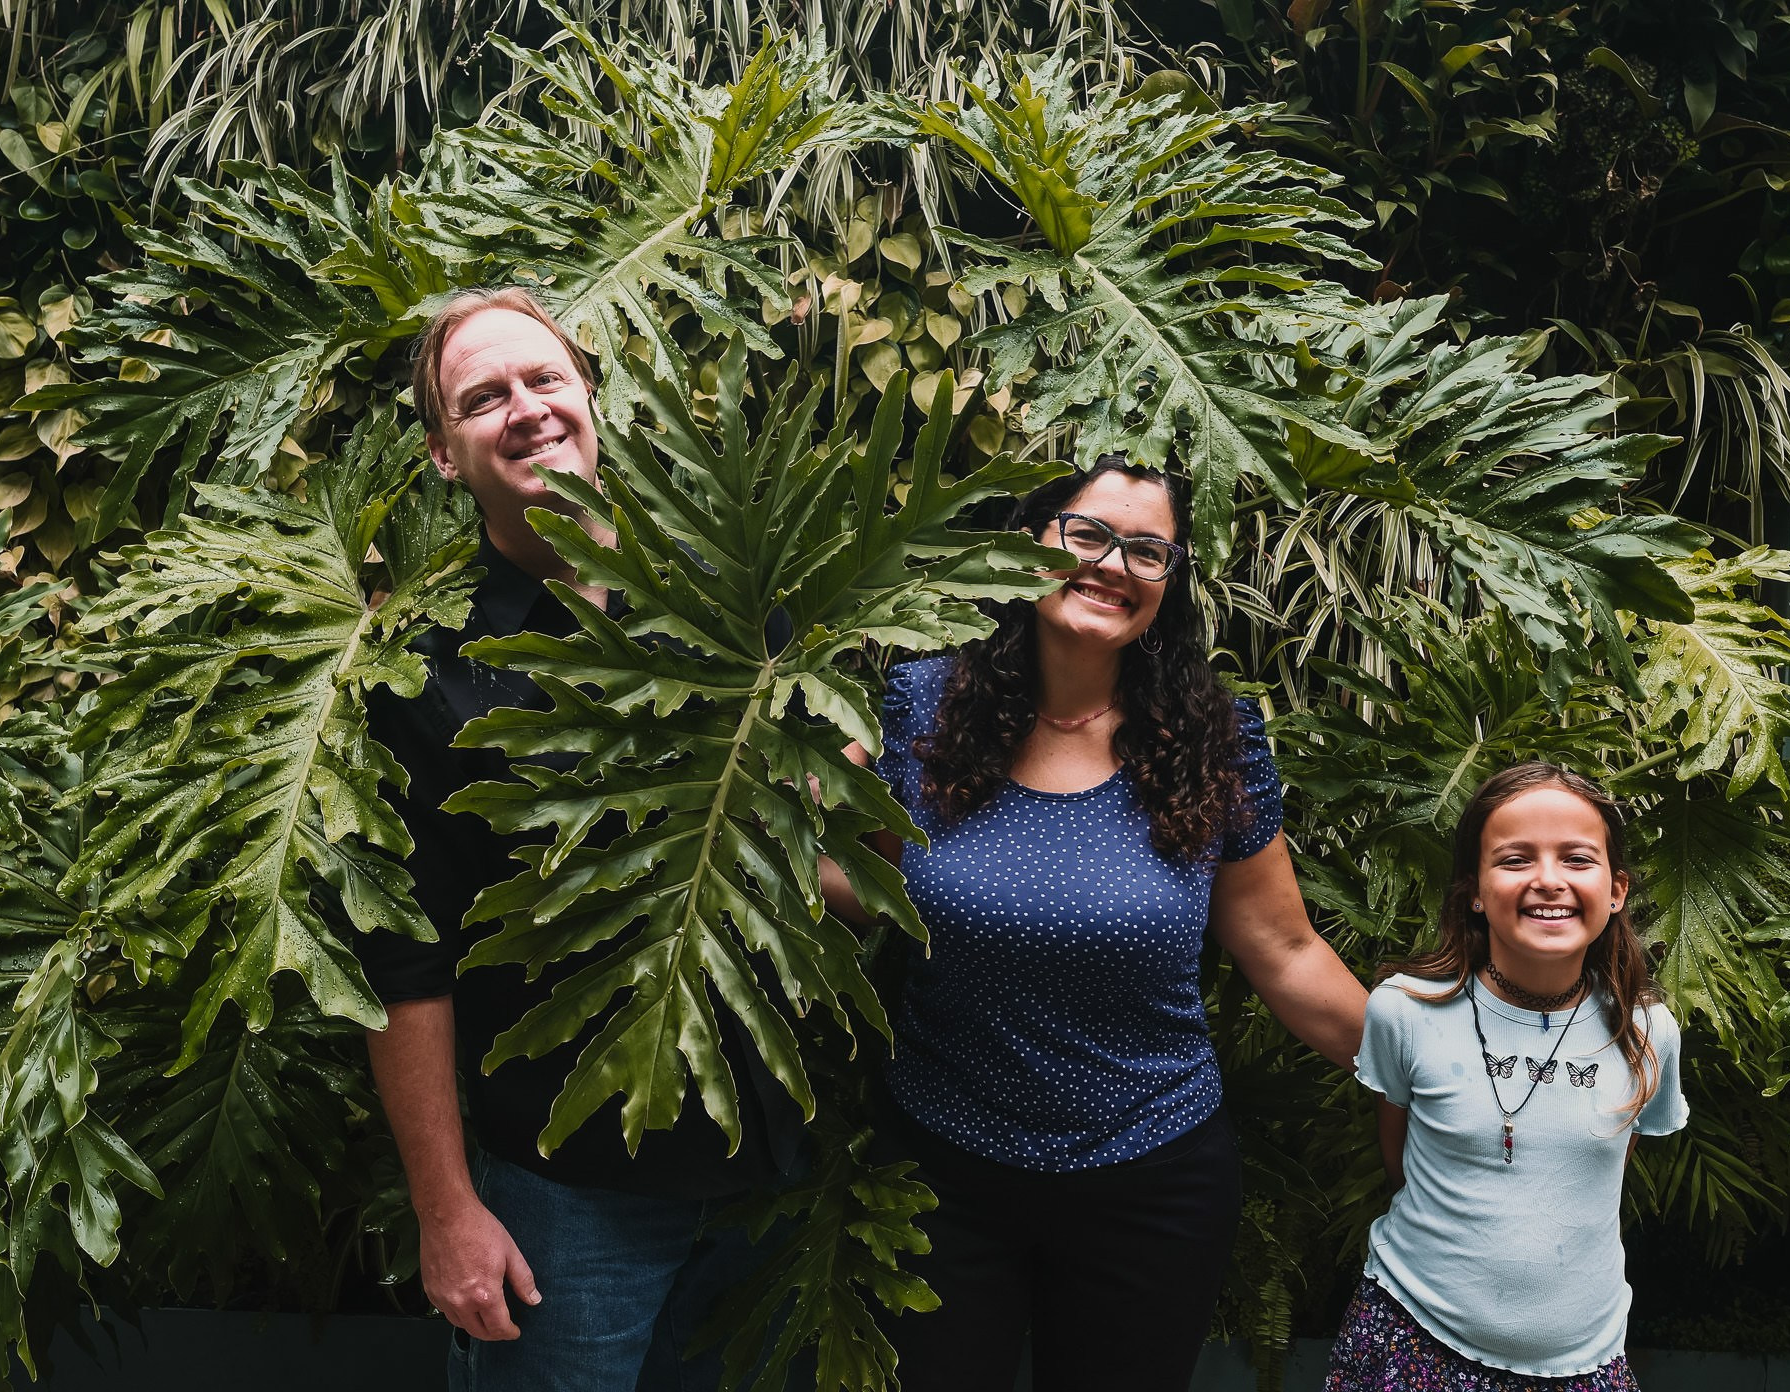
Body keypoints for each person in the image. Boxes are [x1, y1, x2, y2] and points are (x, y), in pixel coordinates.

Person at [359, 287, 803, 1392]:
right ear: (443, 458)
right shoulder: (423, 669)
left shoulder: (738, 608)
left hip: (770, 1177)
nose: (525, 409)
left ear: (590, 399)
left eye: (544, 379)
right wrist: (446, 1210)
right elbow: (405, 965)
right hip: (566, 1197)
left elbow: (821, 863)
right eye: (483, 397)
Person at [849, 455, 1368, 1391]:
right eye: (1086, 534)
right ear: (1031, 543)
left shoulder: (1214, 738)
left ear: (1169, 584)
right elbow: (860, 880)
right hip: (941, 1171)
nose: (1111, 564)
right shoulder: (921, 705)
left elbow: (1285, 951)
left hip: (1151, 1179)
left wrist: (1437, 1064)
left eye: (1147, 551)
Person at [1325, 762, 1686, 1391]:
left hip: (1586, 1360)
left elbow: (1606, 1166)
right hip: (1413, 1337)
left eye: (1577, 859)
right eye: (1515, 860)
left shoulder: (1649, 1034)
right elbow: (1401, 1156)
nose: (1549, 881)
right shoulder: (1405, 1011)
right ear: (1473, 890)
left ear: (1617, 889)